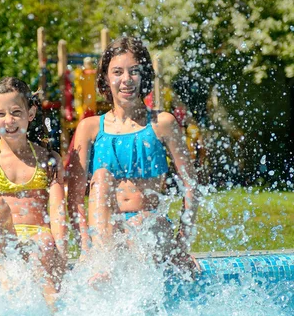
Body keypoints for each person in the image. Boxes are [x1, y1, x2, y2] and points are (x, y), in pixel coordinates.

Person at [66, 37, 200, 281]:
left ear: (144, 76)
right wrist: (85, 249)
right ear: (106, 78)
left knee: (140, 225)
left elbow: (191, 186)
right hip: (107, 233)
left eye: (134, 72)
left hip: (150, 226)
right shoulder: (89, 128)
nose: (126, 80)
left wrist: (181, 245)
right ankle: (103, 266)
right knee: (102, 176)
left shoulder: (163, 124)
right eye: (117, 72)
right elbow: (74, 199)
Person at [0, 77, 66, 312]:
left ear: (30, 113)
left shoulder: (49, 160)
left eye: (16, 112)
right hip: (1, 243)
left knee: (41, 248)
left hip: (39, 241)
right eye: (0, 114)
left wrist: (60, 255)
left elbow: (58, 215)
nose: (9, 121)